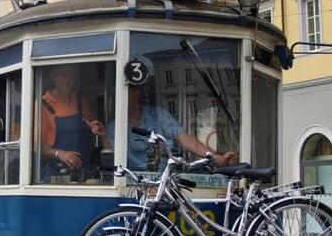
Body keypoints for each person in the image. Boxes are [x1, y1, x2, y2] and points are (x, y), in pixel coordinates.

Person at [108, 84, 237, 172]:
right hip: (134, 184)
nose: (120, 96)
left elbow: (187, 141)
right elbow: (112, 158)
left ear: (137, 92)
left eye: (126, 90)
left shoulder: (159, 115)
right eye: (117, 92)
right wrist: (102, 135)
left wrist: (216, 158)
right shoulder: (114, 127)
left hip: (164, 181)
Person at [38, 64, 108, 182]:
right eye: (63, 74)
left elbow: (96, 126)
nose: (68, 79)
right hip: (57, 177)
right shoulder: (42, 105)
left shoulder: (80, 101)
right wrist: (59, 154)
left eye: (71, 75)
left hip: (85, 173)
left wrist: (97, 129)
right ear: (53, 77)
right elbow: (35, 145)